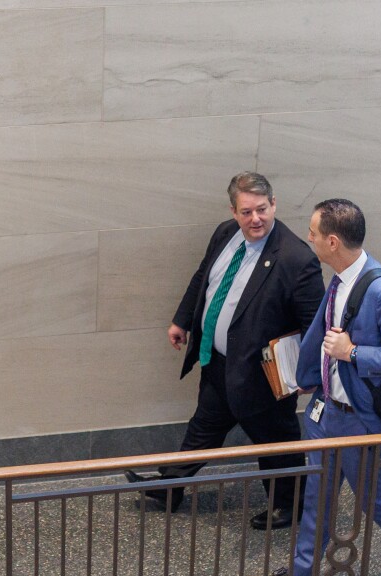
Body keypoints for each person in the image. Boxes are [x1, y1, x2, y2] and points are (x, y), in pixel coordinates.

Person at [246, 198, 381, 576]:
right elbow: (323, 335)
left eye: (313, 233)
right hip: (327, 411)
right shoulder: (340, 279)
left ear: (332, 242)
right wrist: (309, 376)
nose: (308, 238)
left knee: (375, 502)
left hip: (362, 421)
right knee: (316, 498)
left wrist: (352, 352)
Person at [124, 171, 324, 529]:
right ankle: (171, 486)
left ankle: (290, 506)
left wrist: (310, 373)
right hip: (217, 362)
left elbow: (314, 323)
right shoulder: (224, 234)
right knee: (204, 427)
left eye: (262, 209)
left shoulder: (296, 260)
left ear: (274, 204)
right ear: (233, 211)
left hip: (261, 376)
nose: (256, 219)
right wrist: (182, 320)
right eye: (246, 212)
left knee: (275, 441)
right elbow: (204, 278)